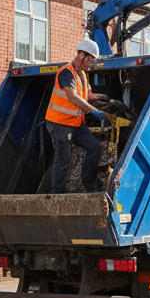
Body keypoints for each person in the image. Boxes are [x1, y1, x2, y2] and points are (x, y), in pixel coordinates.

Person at [44, 39, 109, 193]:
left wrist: (108, 100)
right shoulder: (66, 73)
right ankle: (58, 196)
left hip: (75, 124)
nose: (90, 64)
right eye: (89, 59)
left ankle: (89, 184)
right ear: (81, 55)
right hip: (59, 124)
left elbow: (89, 96)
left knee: (94, 147)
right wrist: (94, 111)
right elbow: (73, 97)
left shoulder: (83, 76)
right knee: (63, 160)